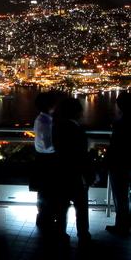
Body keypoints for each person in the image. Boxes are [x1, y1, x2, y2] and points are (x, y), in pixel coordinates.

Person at [105, 91, 131, 236]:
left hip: (120, 163)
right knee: (126, 194)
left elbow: (116, 145)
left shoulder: (121, 123)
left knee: (120, 196)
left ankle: (122, 227)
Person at [51, 97, 93, 242]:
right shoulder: (77, 130)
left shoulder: (57, 127)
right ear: (76, 112)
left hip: (61, 171)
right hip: (76, 174)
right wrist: (89, 175)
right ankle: (83, 234)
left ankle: (60, 232)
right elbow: (82, 155)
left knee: (62, 205)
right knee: (81, 207)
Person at [32, 91, 61, 229]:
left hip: (42, 159)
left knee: (44, 191)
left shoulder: (43, 119)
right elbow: (48, 145)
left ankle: (44, 217)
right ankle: (46, 218)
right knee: (48, 190)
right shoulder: (44, 122)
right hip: (47, 160)